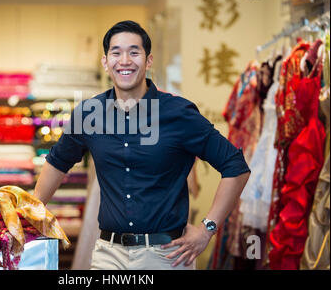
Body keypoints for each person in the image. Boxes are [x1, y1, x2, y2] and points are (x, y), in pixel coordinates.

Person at [33, 20, 250, 270]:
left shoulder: (179, 113)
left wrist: (207, 229)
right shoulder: (89, 114)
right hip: (108, 254)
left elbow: (236, 166)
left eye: (134, 52)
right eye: (116, 52)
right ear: (105, 62)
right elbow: (57, 162)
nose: (125, 60)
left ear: (148, 61)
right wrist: (30, 215)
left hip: (166, 256)